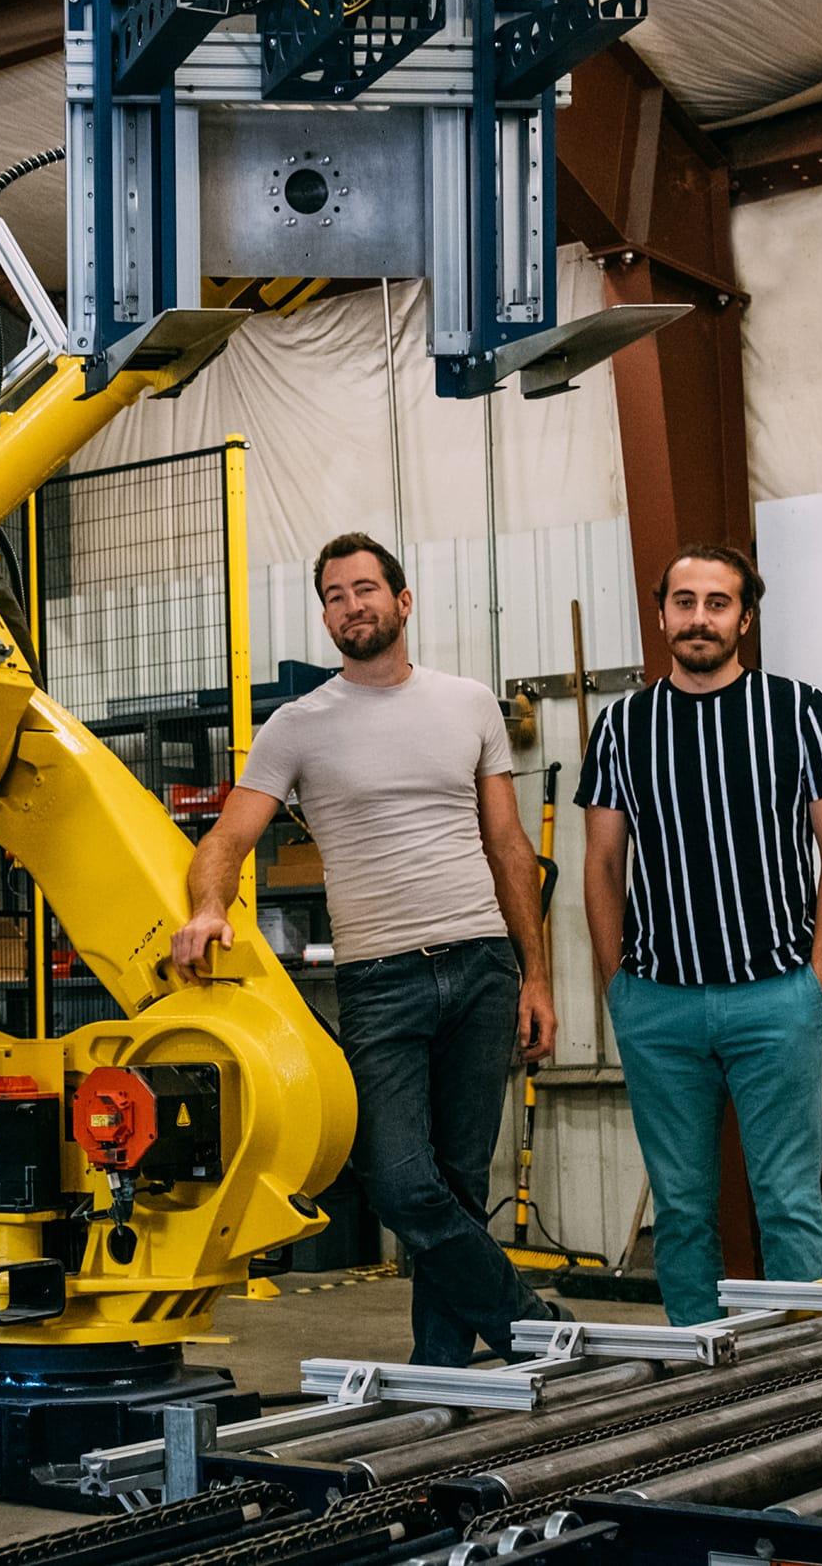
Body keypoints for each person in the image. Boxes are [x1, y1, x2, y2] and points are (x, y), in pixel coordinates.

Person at [173, 532, 566, 1366]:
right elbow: (224, 842)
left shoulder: (468, 704)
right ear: (326, 615)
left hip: (482, 964)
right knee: (397, 1180)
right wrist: (209, 908)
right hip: (381, 979)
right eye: (334, 595)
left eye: (365, 588)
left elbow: (509, 848)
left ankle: (443, 1376)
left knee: (458, 1184)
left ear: (403, 600)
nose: (351, 604)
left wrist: (537, 975)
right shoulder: (298, 725)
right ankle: (529, 1326)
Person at [576, 543, 822, 1325]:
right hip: (658, 1006)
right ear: (662, 612)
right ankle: (699, 1379)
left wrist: (820, 976)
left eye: (717, 602)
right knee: (681, 1208)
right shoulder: (622, 726)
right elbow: (602, 864)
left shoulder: (799, 709)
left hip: (776, 997)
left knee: (788, 1200)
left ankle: (812, 1371)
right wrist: (619, 988)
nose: (699, 617)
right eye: (684, 601)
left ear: (745, 616)